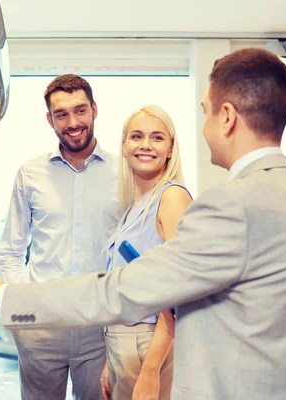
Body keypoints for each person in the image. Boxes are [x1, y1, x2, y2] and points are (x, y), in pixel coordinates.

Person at [0, 48, 286, 400]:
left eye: (205, 113)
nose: (203, 129)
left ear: (227, 118)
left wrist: (9, 299)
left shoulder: (229, 205)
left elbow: (129, 290)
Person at [0, 74, 119, 400]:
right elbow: (12, 249)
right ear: (50, 119)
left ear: (94, 110)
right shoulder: (31, 172)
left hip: (100, 328)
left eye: (80, 111)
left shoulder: (124, 172)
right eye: (61, 114)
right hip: (40, 326)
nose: (73, 122)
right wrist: (20, 315)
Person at [100, 105, 192, 400]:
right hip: (124, 342)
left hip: (150, 345)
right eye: (136, 136)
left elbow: (179, 293)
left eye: (157, 138)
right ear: (124, 147)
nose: (145, 145)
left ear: (170, 149)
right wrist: (110, 359)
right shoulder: (132, 207)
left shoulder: (172, 197)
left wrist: (151, 369)